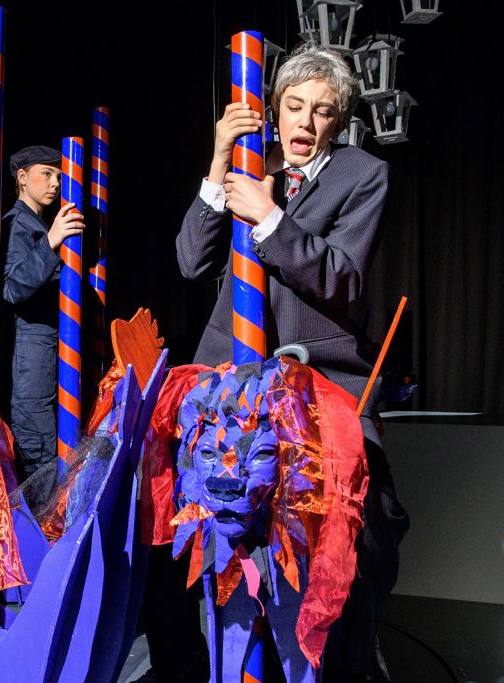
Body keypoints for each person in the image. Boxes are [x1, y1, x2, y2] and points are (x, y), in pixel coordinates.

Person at [165, 42, 409, 681]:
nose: (305, 121)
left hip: (322, 377)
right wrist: (219, 163)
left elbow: (341, 278)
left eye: (322, 111)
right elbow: (191, 261)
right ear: (274, 111)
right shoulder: (251, 162)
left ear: (339, 120)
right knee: (207, 521)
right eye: (294, 106)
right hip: (233, 380)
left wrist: (270, 218)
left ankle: (348, 659)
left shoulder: (363, 175)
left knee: (370, 521)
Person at [1, 146, 84, 511]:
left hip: (50, 344)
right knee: (37, 444)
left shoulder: (38, 224)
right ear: (22, 178)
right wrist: (51, 242)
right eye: (46, 174)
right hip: (29, 348)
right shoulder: (18, 225)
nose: (55, 183)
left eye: (58, 176)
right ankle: (41, 526)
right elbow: (12, 287)